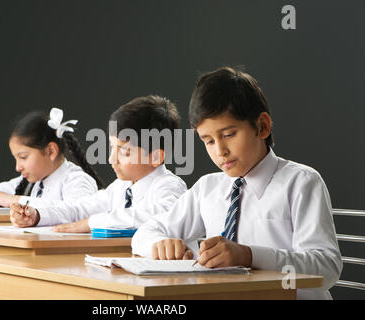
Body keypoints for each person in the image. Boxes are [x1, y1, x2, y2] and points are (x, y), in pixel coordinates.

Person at [131, 67, 342, 300]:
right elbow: (144, 233)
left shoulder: (300, 183)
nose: (220, 151)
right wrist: (158, 244)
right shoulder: (207, 188)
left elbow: (327, 267)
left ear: (262, 126)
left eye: (229, 134)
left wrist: (249, 256)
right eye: (209, 141)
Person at [9, 95, 187, 232]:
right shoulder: (120, 188)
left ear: (155, 157)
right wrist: (38, 215)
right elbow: (78, 208)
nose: (111, 159)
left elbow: (158, 215)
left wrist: (92, 223)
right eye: (111, 148)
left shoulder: (169, 187)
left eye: (124, 151)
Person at [0, 108, 102, 207]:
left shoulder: (77, 180)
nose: (18, 167)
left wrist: (14, 200)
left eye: (23, 157)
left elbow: (75, 210)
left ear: (51, 151)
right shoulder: (31, 182)